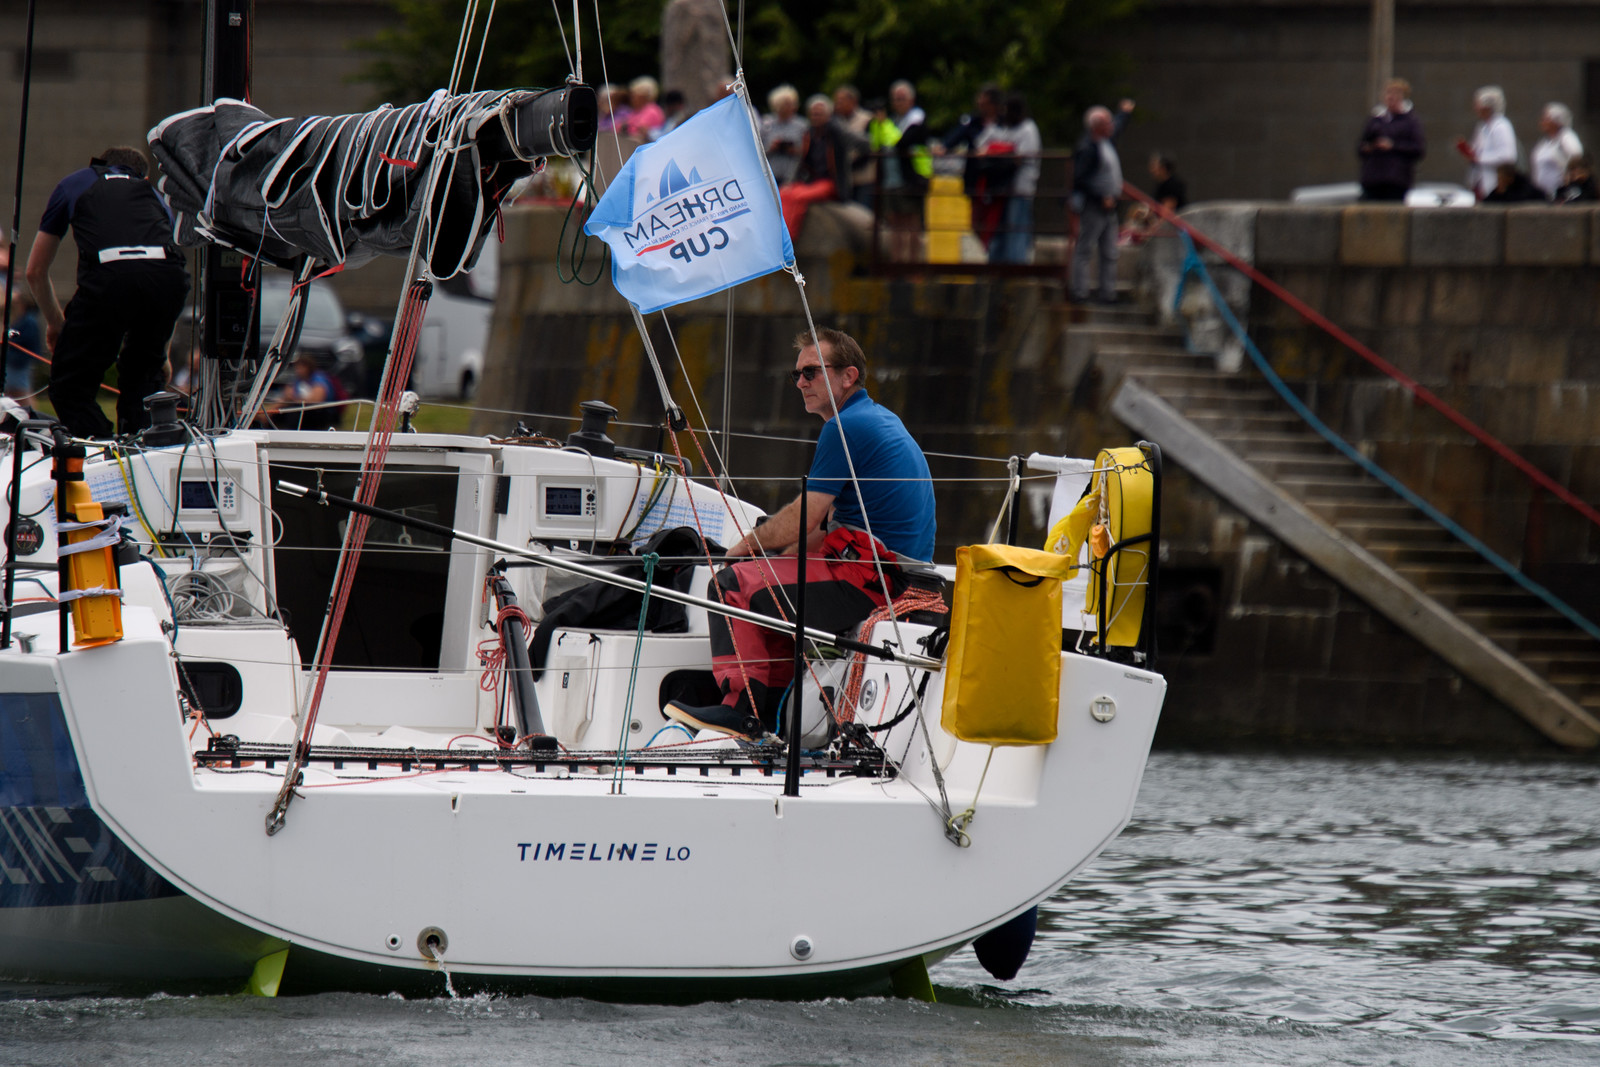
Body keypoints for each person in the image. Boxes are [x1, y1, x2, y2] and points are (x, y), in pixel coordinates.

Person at [665, 328, 936, 738]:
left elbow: (804, 516)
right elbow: (827, 530)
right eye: (797, 375)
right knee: (765, 576)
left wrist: (743, 548)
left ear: (848, 375)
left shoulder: (846, 428)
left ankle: (742, 710)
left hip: (873, 581)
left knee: (731, 586)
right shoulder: (875, 418)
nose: (801, 383)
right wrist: (769, 557)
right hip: (888, 573)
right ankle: (768, 713)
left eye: (811, 372)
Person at [26, 145, 191, 437]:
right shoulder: (153, 196)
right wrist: (161, 353)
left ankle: (101, 451)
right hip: (167, 280)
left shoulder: (74, 183)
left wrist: (56, 324)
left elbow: (35, 271)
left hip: (110, 278)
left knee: (69, 387)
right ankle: (141, 451)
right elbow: (169, 269)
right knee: (144, 381)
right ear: (141, 174)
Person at [1071, 99, 1135, 304]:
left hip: (1110, 206)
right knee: (1085, 248)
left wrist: (1124, 113)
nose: (1112, 126)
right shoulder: (1088, 148)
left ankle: (1107, 293)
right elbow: (1080, 178)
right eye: (1107, 123)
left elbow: (1118, 126)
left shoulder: (1106, 142)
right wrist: (1100, 196)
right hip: (1095, 205)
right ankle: (1079, 291)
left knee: (1110, 251)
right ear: (1097, 126)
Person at [778, 95, 858, 238]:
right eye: (813, 114)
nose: (816, 117)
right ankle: (778, 232)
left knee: (799, 196)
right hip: (812, 181)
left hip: (830, 182)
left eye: (819, 114)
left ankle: (789, 237)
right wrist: (790, 182)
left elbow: (860, 142)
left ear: (828, 115)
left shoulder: (836, 132)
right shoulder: (809, 134)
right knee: (783, 193)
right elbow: (800, 161)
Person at [989, 93, 1042, 264]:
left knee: (1017, 226)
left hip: (1021, 188)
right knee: (1000, 227)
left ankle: (1016, 265)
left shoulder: (1028, 129)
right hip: (1002, 189)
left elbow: (1020, 157)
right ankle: (996, 263)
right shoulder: (1005, 128)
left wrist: (1002, 153)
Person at [1357, 78, 1426, 201]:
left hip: (1396, 180)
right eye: (1388, 93)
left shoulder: (1410, 121)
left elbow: (1418, 149)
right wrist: (1369, 147)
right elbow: (1360, 146)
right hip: (1372, 178)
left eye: (1395, 94)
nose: (1391, 97)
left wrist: (1393, 146)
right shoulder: (1375, 119)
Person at [1457, 86, 1516, 201]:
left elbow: (1508, 156)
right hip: (1479, 181)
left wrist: (1479, 159)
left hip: (1493, 181)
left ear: (1487, 107)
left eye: (1478, 105)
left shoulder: (1501, 126)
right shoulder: (1482, 127)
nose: (1475, 108)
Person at [268, 352, 340, 430]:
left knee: (295, 410)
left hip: (318, 412)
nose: (298, 370)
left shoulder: (318, 379)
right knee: (284, 408)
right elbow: (288, 394)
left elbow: (316, 400)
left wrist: (295, 399)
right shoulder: (298, 380)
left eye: (301, 367)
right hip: (301, 407)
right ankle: (267, 416)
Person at [1531, 103, 1584, 200]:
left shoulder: (1567, 137)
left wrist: (1568, 176)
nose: (1542, 122)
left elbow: (1576, 156)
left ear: (1556, 121)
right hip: (1543, 194)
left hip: (1560, 193)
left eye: (1546, 119)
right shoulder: (1545, 142)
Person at [761, 85, 807, 186]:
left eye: (792, 104)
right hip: (771, 173)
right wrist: (771, 147)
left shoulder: (802, 126)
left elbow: (806, 151)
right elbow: (758, 151)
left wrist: (795, 150)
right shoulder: (766, 124)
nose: (790, 107)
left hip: (792, 173)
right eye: (786, 104)